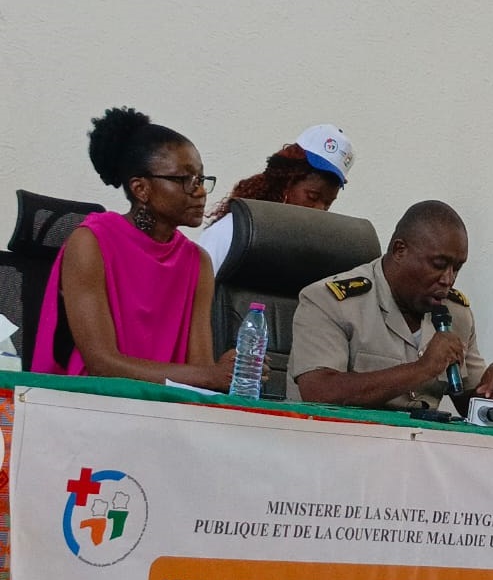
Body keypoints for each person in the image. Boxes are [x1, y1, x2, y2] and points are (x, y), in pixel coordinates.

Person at [30, 106, 234, 390]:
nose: (199, 191)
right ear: (141, 189)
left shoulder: (197, 261)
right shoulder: (91, 241)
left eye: (200, 179)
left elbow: (200, 370)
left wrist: (226, 372)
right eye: (185, 179)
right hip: (91, 401)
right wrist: (210, 376)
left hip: (165, 406)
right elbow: (102, 364)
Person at [287, 200, 493, 410]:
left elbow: (468, 401)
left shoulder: (456, 314)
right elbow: (320, 392)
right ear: (400, 251)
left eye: (456, 268)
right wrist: (423, 369)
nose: (448, 279)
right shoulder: (331, 301)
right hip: (338, 440)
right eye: (438, 265)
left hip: (422, 443)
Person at [200, 124, 355, 275]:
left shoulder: (319, 250)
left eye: (327, 204)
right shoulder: (234, 231)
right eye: (312, 197)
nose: (320, 210)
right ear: (286, 182)